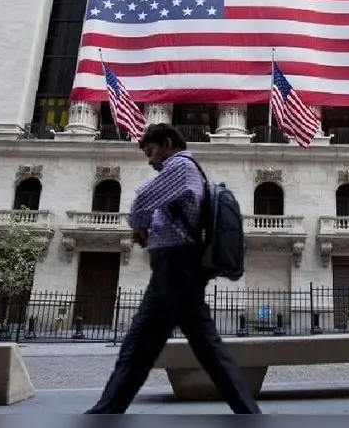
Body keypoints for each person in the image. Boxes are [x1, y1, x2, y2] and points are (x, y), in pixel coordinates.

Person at [85, 123, 262, 414]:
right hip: (170, 269)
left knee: (201, 347)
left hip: (179, 267)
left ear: (167, 144)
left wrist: (139, 225)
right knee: (139, 346)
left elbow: (142, 198)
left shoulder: (181, 166)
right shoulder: (179, 172)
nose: (150, 161)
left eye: (152, 152)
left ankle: (248, 412)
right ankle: (105, 411)